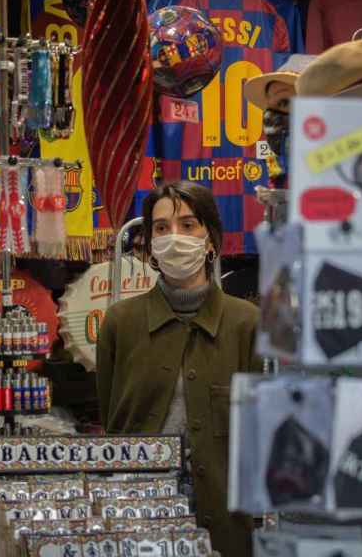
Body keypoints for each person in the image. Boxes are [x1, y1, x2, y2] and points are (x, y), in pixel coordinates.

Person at [97, 181, 261, 556]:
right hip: (136, 517)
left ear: (210, 240)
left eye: (188, 225)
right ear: (150, 244)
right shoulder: (121, 323)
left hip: (225, 518)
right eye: (161, 228)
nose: (174, 237)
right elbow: (111, 417)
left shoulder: (247, 324)